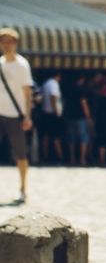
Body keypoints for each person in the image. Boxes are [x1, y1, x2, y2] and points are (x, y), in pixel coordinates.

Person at [0, 27, 34, 202]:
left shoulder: (21, 65)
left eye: (9, 41)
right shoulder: (0, 63)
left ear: (15, 43)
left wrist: (27, 116)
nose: (6, 45)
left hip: (15, 114)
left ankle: (22, 188)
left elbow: (27, 92)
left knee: (20, 153)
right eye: (3, 41)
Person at [62, 73, 93, 166]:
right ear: (81, 79)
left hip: (70, 116)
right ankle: (82, 158)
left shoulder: (68, 90)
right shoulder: (81, 90)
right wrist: (88, 116)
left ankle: (72, 158)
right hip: (80, 117)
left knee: (71, 138)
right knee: (83, 138)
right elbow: (84, 103)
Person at [39, 69, 64, 164]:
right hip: (52, 114)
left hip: (45, 113)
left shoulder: (45, 83)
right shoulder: (53, 83)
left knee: (45, 136)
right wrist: (56, 110)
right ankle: (60, 157)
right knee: (56, 136)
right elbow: (53, 96)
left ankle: (44, 156)